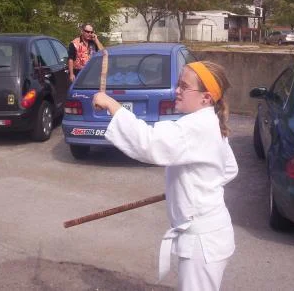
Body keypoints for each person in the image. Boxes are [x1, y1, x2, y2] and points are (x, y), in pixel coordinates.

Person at [93, 61, 238, 291]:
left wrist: (112, 105)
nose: (176, 90)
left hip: (202, 242)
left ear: (206, 98)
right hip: (210, 237)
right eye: (178, 84)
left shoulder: (196, 126)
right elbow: (229, 168)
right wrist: (191, 188)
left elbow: (149, 143)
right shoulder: (210, 122)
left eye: (183, 86)